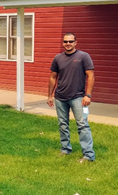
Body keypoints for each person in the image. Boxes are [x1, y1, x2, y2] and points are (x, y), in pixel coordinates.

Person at [47, 33, 95, 163]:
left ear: (75, 42)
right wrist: (50, 95)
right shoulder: (58, 58)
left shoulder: (83, 56)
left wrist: (88, 95)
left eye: (70, 41)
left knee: (82, 125)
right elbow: (53, 77)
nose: (68, 44)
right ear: (63, 43)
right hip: (60, 97)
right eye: (65, 41)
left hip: (78, 97)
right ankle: (65, 149)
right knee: (63, 125)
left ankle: (88, 155)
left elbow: (91, 76)